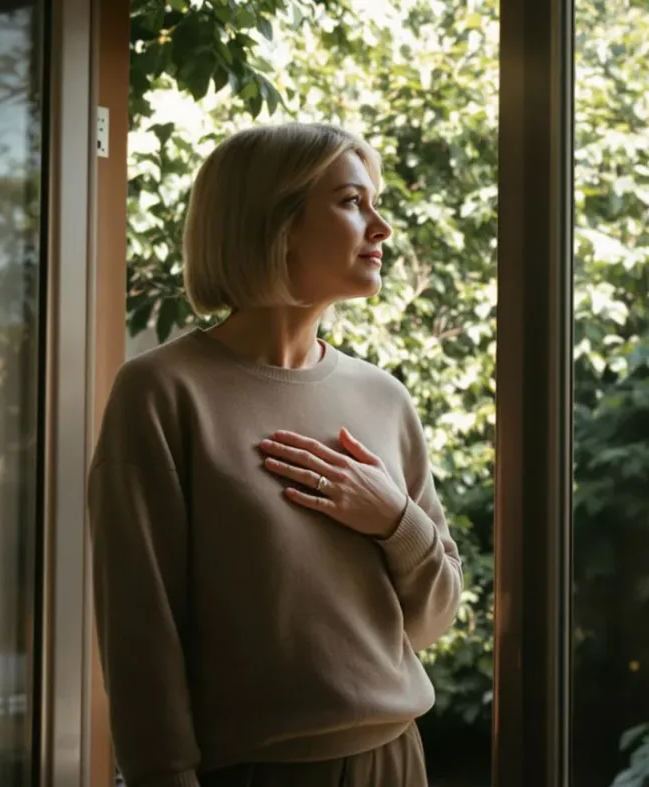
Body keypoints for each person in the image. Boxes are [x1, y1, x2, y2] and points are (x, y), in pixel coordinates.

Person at [88, 122, 463, 787]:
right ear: (276, 222)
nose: (382, 227)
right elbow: (140, 628)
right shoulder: (163, 393)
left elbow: (432, 620)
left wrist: (393, 519)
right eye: (352, 202)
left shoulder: (384, 398)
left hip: (397, 759)